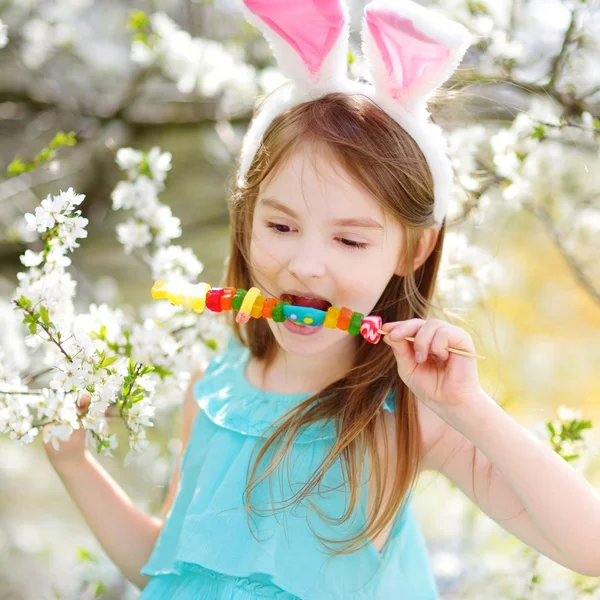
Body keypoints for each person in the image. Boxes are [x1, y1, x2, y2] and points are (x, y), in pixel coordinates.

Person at [43, 1, 600, 598]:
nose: (306, 264)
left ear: (413, 250)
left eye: (350, 239)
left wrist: (469, 408)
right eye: (280, 227)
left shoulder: (409, 416)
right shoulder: (214, 387)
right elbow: (172, 568)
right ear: (245, 220)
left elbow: (588, 547)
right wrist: (74, 462)